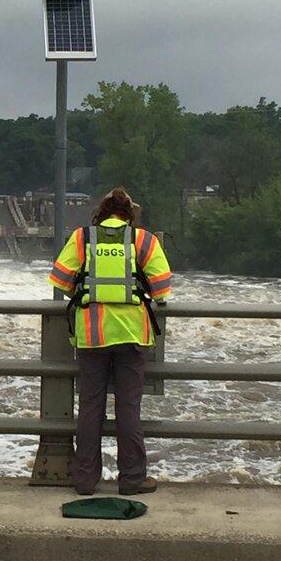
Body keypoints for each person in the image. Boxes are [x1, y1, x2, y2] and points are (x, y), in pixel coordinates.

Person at [47, 188, 172, 496]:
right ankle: (131, 480)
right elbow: (162, 290)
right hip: (132, 334)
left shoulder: (82, 238)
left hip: (92, 334)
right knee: (128, 408)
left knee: (90, 407)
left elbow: (60, 280)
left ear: (100, 212)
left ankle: (85, 480)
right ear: (130, 215)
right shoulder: (143, 240)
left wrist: (87, 288)